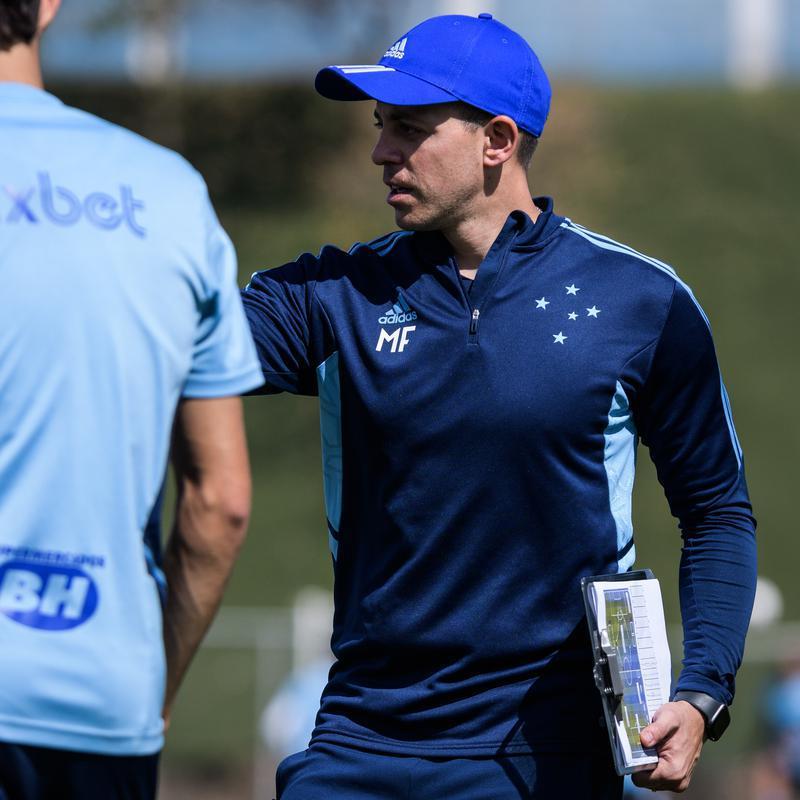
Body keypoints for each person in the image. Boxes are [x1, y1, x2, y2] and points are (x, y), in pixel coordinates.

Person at [242, 12, 757, 799]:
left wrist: (702, 689)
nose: (382, 150)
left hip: (547, 755)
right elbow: (165, 348)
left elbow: (717, 511)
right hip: (358, 740)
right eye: (381, 126)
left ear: (497, 141)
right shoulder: (333, 295)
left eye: (409, 128)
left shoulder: (642, 302)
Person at [0, 1, 264, 798]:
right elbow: (219, 504)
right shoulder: (168, 193)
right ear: (47, 6)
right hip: (102, 700)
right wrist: (148, 686)